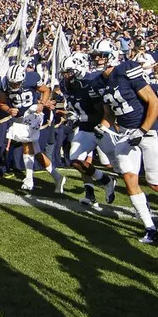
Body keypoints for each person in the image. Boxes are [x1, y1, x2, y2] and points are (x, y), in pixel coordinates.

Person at [89, 38, 158, 244]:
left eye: (102, 55)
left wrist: (143, 130)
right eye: (95, 56)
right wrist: (103, 126)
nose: (98, 59)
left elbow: (153, 101)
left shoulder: (126, 70)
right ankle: (150, 227)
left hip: (149, 130)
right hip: (126, 133)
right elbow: (110, 114)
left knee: (157, 186)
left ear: (113, 56)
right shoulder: (99, 82)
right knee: (128, 177)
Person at [59, 54, 116, 209]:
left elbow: (102, 113)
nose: (65, 76)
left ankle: (139, 199)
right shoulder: (65, 85)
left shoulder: (91, 84)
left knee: (116, 166)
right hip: (84, 129)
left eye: (69, 72)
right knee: (76, 160)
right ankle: (104, 181)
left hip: (101, 128)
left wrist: (80, 116)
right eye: (64, 72)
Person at [0, 63, 65, 193]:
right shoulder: (4, 82)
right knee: (36, 152)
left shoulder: (32, 78)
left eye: (16, 83)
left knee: (26, 144)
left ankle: (29, 180)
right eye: (12, 83)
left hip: (33, 114)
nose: (13, 86)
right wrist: (9, 109)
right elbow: (2, 103)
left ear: (23, 79)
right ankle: (58, 177)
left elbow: (45, 90)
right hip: (19, 118)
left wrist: (42, 104)